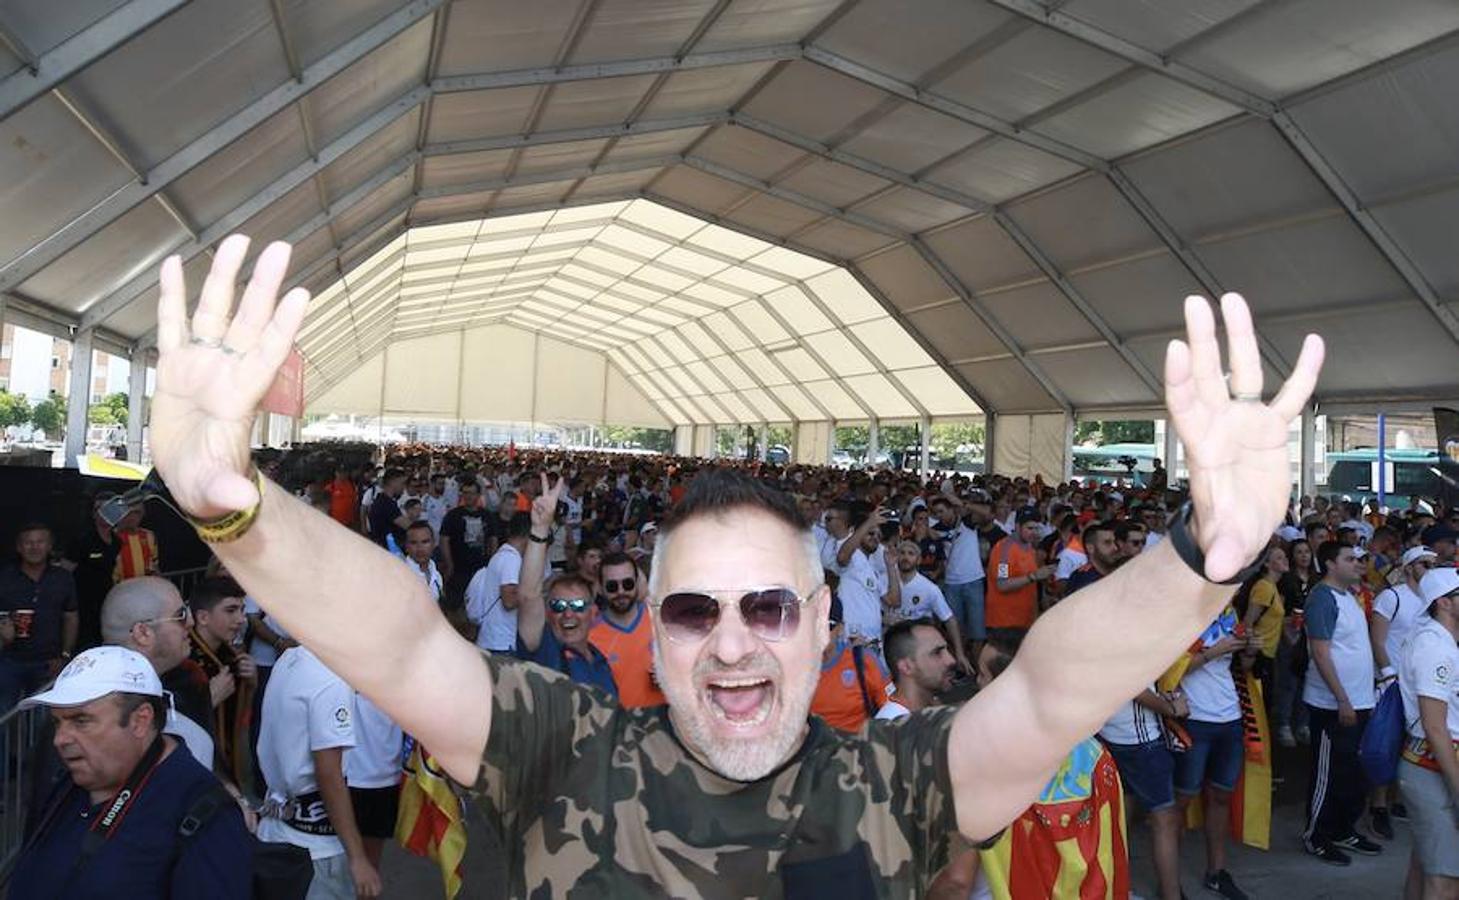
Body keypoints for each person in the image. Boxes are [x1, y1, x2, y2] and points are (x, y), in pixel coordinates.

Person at [148, 237, 1323, 895]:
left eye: (767, 606)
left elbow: (1048, 690)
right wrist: (237, 511)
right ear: (652, 631)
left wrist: (1200, 558)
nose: (731, 641)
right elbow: (401, 641)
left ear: (821, 622)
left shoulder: (895, 783)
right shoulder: (562, 748)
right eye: (693, 610)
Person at [9, 646, 252, 898]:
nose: (60, 739)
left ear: (140, 721)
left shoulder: (206, 815)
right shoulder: (67, 782)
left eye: (81, 721)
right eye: (58, 722)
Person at [258, 643, 381, 899]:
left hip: (276, 831)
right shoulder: (330, 680)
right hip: (316, 852)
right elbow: (328, 774)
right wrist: (358, 857)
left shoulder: (290, 659)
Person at [1302, 541, 1381, 864]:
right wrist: (1342, 699)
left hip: (1357, 700)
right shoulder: (1322, 598)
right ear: (1330, 564)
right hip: (1332, 705)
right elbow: (1321, 653)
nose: (1357, 563)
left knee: (1350, 772)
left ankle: (1342, 829)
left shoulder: (1349, 596)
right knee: (1327, 773)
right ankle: (1316, 835)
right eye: (1349, 559)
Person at [1170, 607, 1252, 898]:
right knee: (1180, 801)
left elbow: (1242, 665)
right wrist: (1213, 651)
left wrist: (1249, 649)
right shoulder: (1181, 613)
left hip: (1230, 716)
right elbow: (1168, 669)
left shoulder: (1229, 611)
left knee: (1221, 795)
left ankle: (1216, 872)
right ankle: (1171, 881)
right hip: (1193, 719)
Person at [514, 491, 617, 696]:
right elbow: (528, 595)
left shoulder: (600, 660)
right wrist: (540, 529)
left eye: (578, 606)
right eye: (558, 606)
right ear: (548, 613)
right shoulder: (547, 653)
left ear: (593, 612)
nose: (568, 614)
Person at [1398, 567, 1459, 899]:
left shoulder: (1440, 640)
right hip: (1433, 765)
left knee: (1425, 865)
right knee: (1447, 880)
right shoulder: (1436, 646)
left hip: (1431, 764)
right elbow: (1435, 726)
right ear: (1444, 603)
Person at [1370, 545, 1437, 839]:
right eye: (1425, 564)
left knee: (1411, 745)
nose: (1430, 570)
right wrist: (1388, 675)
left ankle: (1396, 800)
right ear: (1409, 567)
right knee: (1386, 744)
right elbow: (1378, 640)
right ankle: (1379, 806)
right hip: (1395, 683)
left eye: (1434, 565)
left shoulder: (1434, 601)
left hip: (1420, 685)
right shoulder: (1392, 596)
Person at [188, 577, 258, 791]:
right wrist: (205, 702)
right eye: (230, 610)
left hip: (227, 765)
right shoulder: (182, 661)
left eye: (242, 610)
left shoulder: (230, 656)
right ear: (203, 617)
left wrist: (251, 685)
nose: (241, 619)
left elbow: (241, 719)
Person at [0, 522, 79, 711]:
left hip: (49, 662)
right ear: (19, 547)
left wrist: (65, 655)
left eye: (40, 541)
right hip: (9, 661)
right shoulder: (4, 578)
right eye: (28, 542)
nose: (34, 547)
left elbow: (71, 616)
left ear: (50, 546)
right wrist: (4, 626)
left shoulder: (62, 578)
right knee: (4, 718)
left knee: (45, 722)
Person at [591, 549, 666, 708]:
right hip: (623, 729)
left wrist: (671, 677)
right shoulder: (589, 637)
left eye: (628, 583)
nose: (621, 591)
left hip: (667, 726)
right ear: (600, 588)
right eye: (612, 586)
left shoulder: (663, 619)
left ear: (637, 582)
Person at [811, 596, 890, 732]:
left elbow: (891, 708)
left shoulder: (863, 660)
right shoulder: (792, 667)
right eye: (812, 624)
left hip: (855, 748)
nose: (818, 631)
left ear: (841, 628)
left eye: (828, 625)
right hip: (811, 750)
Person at [893, 539, 971, 674]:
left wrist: (959, 653)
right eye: (902, 553)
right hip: (891, 644)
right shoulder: (885, 580)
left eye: (911, 554)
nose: (905, 557)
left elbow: (949, 619)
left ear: (918, 560)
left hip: (917, 649)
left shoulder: (930, 588)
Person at [61, 492, 125, 651]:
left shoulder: (117, 541)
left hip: (105, 602)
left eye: (109, 509)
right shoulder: (82, 539)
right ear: (93, 513)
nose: (104, 513)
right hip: (81, 604)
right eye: (99, 509)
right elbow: (65, 572)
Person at [465, 511, 527, 653]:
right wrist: (535, 593)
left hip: (492, 639)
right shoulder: (512, 559)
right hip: (501, 642)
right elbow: (509, 601)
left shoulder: (500, 555)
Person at [930, 494, 986, 646]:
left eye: (942, 511)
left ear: (952, 509)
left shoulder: (967, 523)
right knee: (956, 628)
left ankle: (976, 664)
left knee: (978, 630)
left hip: (973, 580)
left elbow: (987, 514)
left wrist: (963, 504)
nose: (939, 516)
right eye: (936, 513)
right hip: (951, 583)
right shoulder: (935, 530)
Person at [985, 510, 1053, 633]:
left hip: (1025, 619)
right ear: (1017, 526)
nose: (1034, 532)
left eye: (1037, 529)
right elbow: (1002, 584)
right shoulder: (1003, 550)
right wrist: (1032, 576)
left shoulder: (1029, 547)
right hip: (1005, 622)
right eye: (1030, 528)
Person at [875, 618, 957, 720]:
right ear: (906, 667)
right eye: (937, 653)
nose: (951, 660)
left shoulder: (931, 705)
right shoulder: (891, 728)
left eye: (947, 650)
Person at [438, 478, 487, 606]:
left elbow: (492, 538)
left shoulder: (487, 515)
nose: (468, 496)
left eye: (471, 493)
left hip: (480, 568)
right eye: (465, 493)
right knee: (456, 605)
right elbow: (444, 539)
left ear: (478, 495)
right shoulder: (452, 515)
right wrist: (449, 564)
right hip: (458, 568)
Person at [402, 519, 444, 604]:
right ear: (406, 546)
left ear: (433, 544)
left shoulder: (437, 576)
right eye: (413, 543)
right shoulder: (400, 577)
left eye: (425, 542)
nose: (420, 548)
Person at [366, 468, 409, 549]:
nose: (404, 487)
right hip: (387, 550)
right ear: (393, 482)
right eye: (402, 483)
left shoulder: (383, 500)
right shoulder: (385, 504)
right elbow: (408, 525)